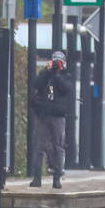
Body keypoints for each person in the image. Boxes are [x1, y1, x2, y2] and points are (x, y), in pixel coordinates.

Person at [29, 50, 73, 189]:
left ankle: (57, 178)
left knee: (58, 146)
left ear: (64, 63)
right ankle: (36, 178)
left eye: (59, 62)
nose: (56, 64)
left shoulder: (66, 76)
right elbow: (36, 84)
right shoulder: (46, 74)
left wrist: (57, 74)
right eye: (54, 61)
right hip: (43, 114)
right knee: (39, 146)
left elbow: (66, 89)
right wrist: (47, 72)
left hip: (58, 116)